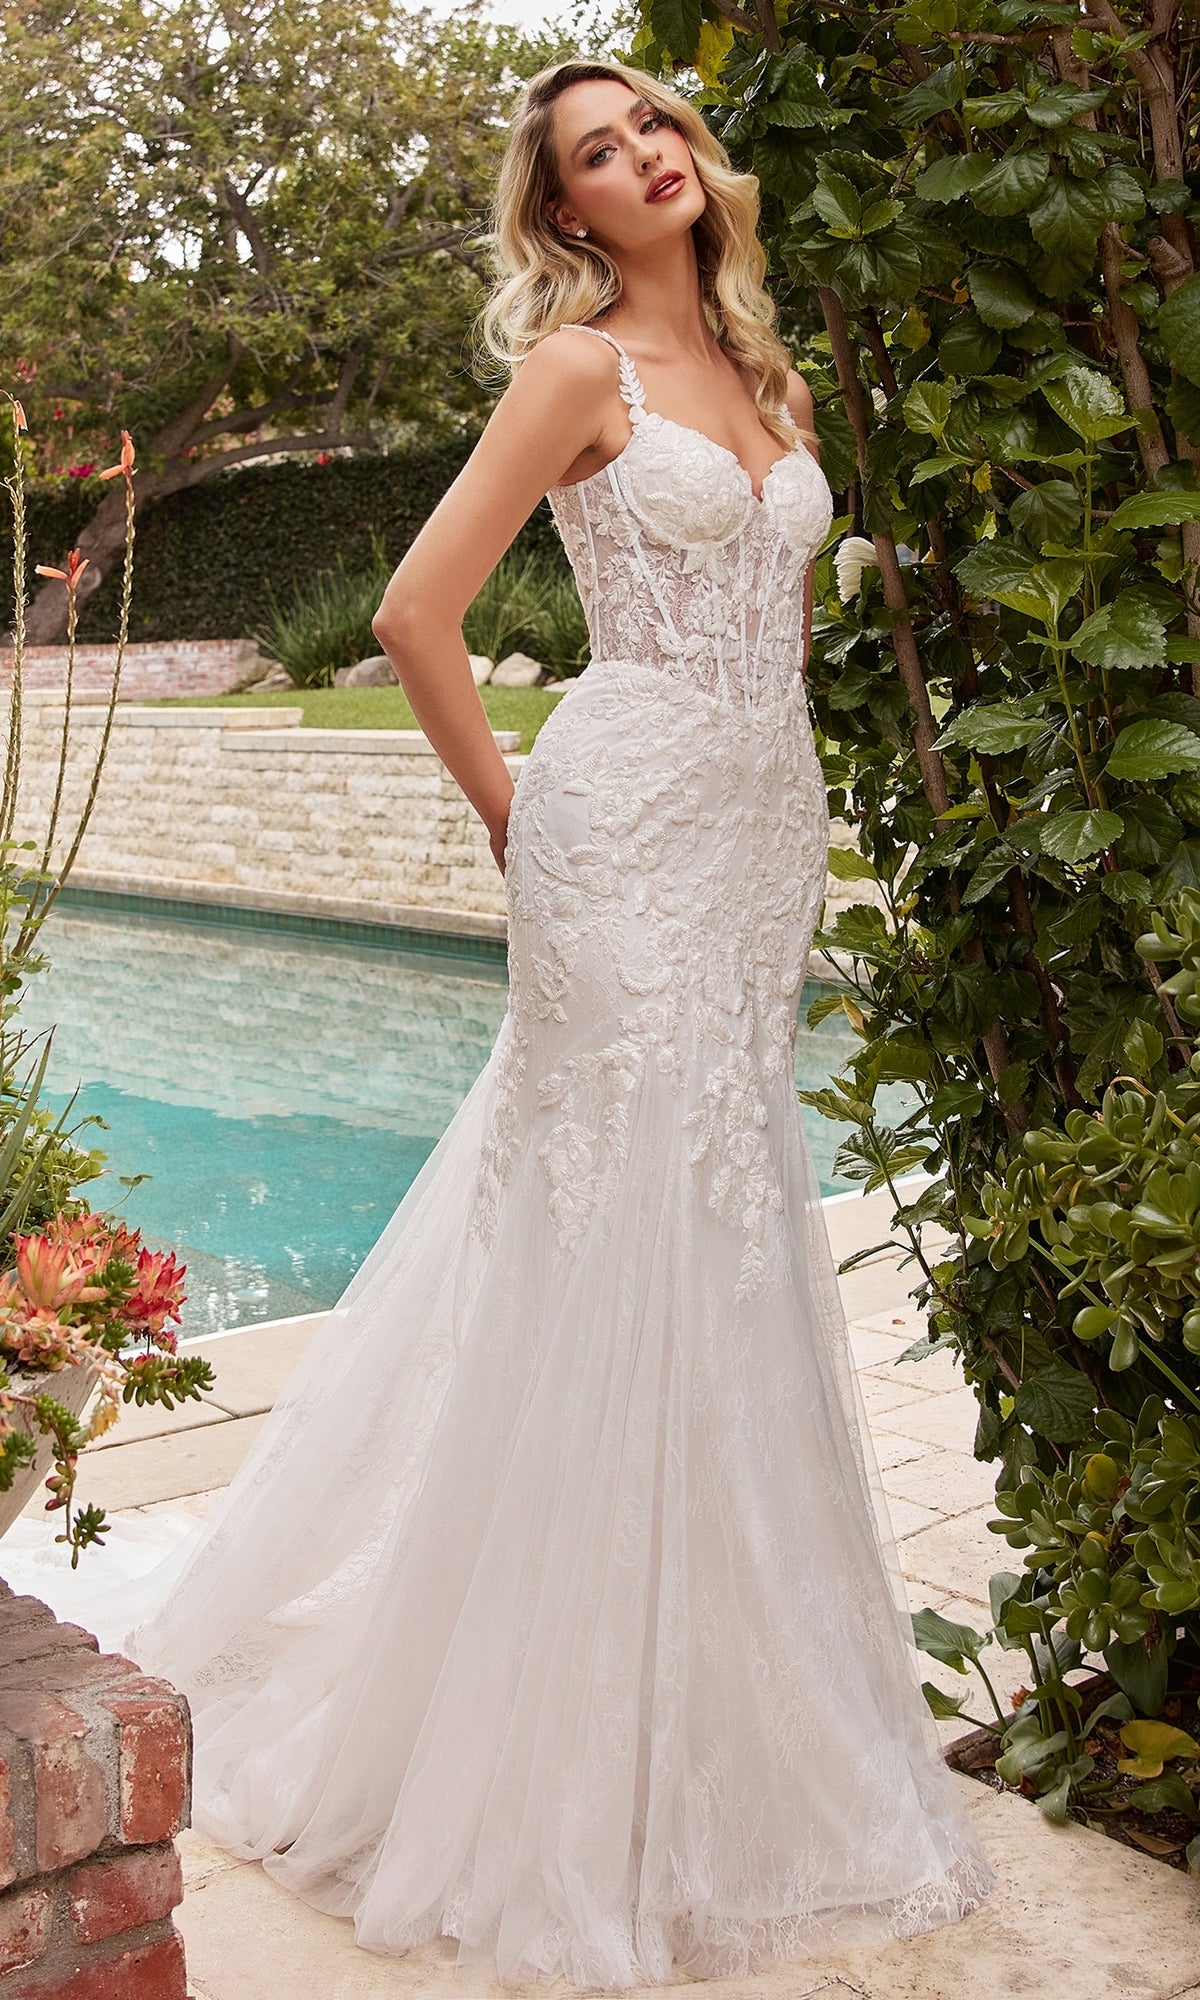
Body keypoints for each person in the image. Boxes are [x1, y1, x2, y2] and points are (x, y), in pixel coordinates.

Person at [0, 56, 997, 1992]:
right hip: (611, 841)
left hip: (752, 847)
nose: (645, 158)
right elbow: (409, 612)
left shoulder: (772, 385)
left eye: (657, 128)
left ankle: (718, 1715)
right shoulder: (576, 374)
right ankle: (548, 1752)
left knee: (719, 1242)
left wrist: (772, 819)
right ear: (571, 218)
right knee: (610, 1232)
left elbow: (769, 651)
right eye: (600, 155)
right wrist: (513, 813)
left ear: (698, 164)